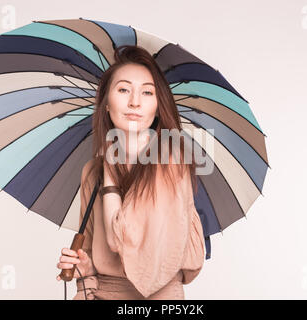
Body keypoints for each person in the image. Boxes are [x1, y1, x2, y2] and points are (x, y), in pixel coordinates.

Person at [55, 45, 205, 300]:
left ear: (158, 107)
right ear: (105, 104)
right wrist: (86, 266)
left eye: (147, 92)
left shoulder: (171, 164)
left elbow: (121, 241)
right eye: (124, 89)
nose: (135, 101)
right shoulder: (92, 171)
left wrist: (111, 172)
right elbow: (96, 248)